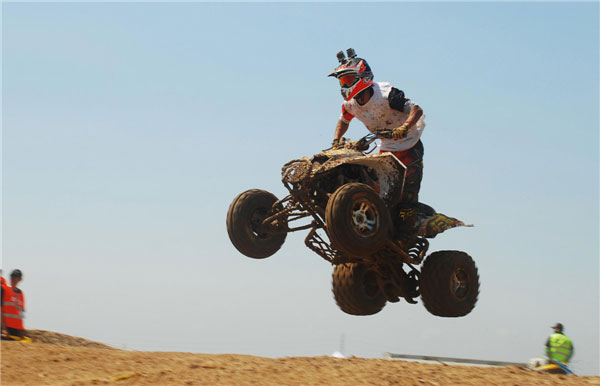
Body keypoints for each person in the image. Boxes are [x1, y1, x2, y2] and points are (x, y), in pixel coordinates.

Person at [329, 48, 425, 203]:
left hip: (410, 145)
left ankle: (411, 217)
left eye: (348, 80)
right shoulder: (349, 105)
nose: (344, 85)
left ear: (362, 76)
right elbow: (343, 121)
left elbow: (416, 110)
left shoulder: (387, 94)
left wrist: (405, 127)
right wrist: (336, 141)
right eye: (342, 82)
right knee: (379, 192)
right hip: (386, 148)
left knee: (406, 197)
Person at [2, 269, 27, 339]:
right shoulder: (4, 289)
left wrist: (21, 332)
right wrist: (4, 329)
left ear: (20, 279)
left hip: (16, 331)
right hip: (5, 329)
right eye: (12, 276)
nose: (13, 279)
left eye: (15, 277)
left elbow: (20, 315)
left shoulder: (21, 294)